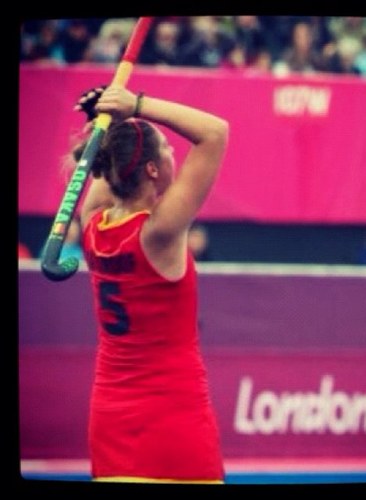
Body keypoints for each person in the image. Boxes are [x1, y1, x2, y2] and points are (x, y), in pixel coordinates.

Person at [71, 82, 229, 483]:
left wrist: (112, 123)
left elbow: (111, 168)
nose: (177, 152)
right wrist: (136, 105)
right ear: (154, 170)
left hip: (109, 420)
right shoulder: (159, 234)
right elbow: (215, 133)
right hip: (175, 421)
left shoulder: (92, 225)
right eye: (168, 149)